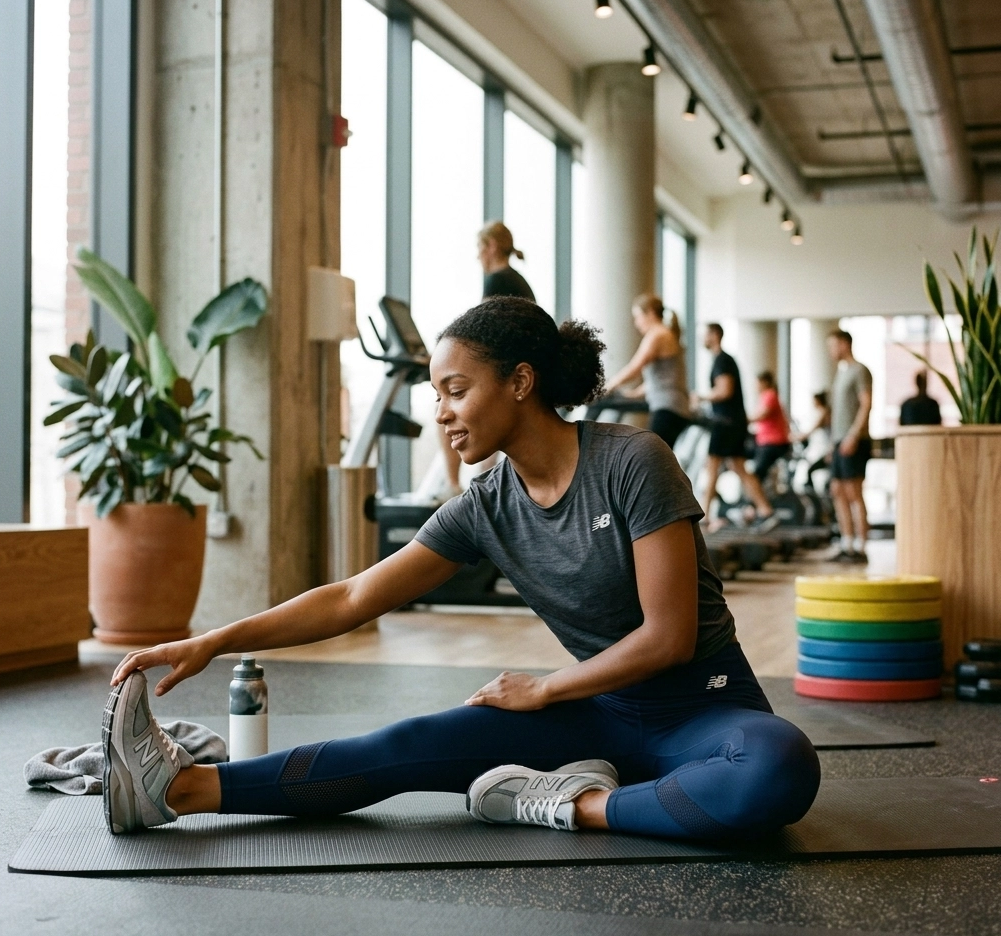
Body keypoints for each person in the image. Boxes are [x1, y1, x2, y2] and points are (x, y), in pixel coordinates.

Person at [103, 297, 820, 845]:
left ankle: (568, 804)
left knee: (778, 766)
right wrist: (213, 641)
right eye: (437, 396)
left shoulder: (632, 462)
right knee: (407, 745)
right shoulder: (485, 506)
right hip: (600, 719)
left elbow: (669, 639)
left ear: (520, 382)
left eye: (455, 389)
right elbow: (354, 597)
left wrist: (543, 689)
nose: (442, 413)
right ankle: (176, 789)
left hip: (706, 711)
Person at [438, 222, 536, 500]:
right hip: (513, 373)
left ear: (491, 247)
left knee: (448, 411)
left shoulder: (498, 279)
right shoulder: (515, 279)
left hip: (505, 375)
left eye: (479, 249)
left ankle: (453, 488)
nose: (478, 256)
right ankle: (480, 491)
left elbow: (480, 333)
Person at [697, 323, 776, 530]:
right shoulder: (722, 360)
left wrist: (700, 397)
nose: (702, 339)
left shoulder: (722, 360)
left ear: (715, 335)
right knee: (738, 466)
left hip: (727, 423)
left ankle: (704, 515)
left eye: (704, 335)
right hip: (733, 422)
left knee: (713, 464)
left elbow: (724, 391)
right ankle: (765, 510)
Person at [602, 294, 692, 449]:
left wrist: (608, 386)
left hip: (668, 408)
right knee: (657, 460)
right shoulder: (665, 333)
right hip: (674, 407)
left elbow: (635, 367)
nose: (636, 323)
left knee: (649, 456)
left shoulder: (657, 334)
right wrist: (633, 394)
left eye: (638, 317)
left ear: (650, 313)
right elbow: (661, 379)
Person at [827, 329, 873, 564]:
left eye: (833, 345)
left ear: (844, 344)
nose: (830, 350)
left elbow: (866, 404)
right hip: (838, 440)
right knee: (837, 491)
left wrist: (853, 436)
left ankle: (861, 546)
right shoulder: (841, 373)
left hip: (855, 440)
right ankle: (847, 543)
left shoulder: (860, 370)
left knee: (854, 492)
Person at [749, 371, 791, 485]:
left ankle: (754, 501)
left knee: (758, 474)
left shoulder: (770, 395)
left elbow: (763, 414)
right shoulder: (765, 396)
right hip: (764, 441)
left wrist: (744, 420)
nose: (756, 387)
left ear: (765, 382)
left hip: (772, 443)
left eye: (757, 383)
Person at [479, 221, 535, 301]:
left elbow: (486, 313)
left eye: (479, 247)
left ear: (492, 246)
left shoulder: (496, 281)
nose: (478, 256)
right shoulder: (517, 280)